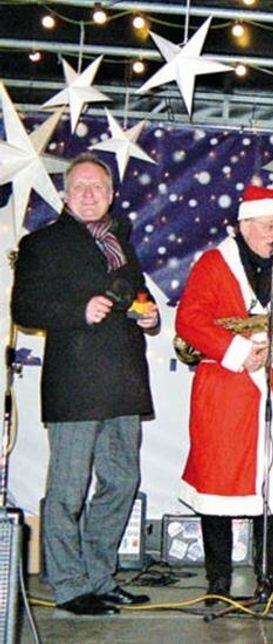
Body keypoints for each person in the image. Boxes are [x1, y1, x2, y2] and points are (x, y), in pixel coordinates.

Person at [11, 153, 158, 615]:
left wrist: (147, 313)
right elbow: (25, 310)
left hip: (124, 384)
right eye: (80, 187)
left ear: (112, 194)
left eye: (98, 187)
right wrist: (79, 311)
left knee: (122, 482)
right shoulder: (42, 243)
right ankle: (71, 586)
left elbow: (133, 296)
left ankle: (99, 575)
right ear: (65, 195)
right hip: (75, 385)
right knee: (67, 490)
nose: (90, 194)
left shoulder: (121, 242)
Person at [175, 184, 273, 603]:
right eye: (269, 225)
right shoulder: (213, 264)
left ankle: (272, 576)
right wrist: (238, 352)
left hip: (270, 388)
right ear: (245, 224)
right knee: (216, 485)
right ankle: (218, 579)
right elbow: (190, 320)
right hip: (224, 389)